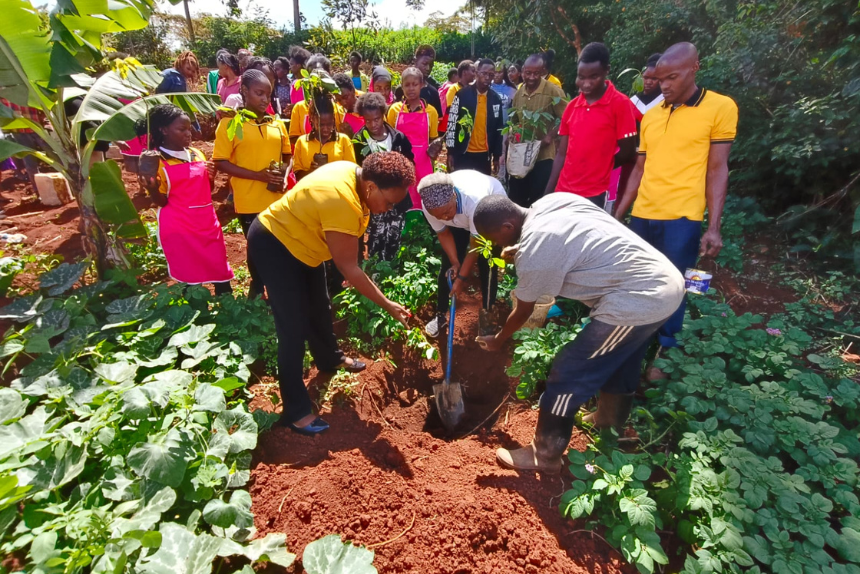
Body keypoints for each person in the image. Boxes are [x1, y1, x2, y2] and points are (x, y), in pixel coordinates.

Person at [473, 193, 684, 472]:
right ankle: (609, 424)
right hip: (662, 279)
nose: (498, 245)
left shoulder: (535, 251)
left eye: (496, 238)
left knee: (569, 369)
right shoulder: (551, 202)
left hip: (638, 299)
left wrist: (499, 339)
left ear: (508, 227)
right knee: (622, 357)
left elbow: (523, 311)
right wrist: (527, 249)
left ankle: (545, 454)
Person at [248, 153, 415, 435]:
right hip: (275, 245)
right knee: (292, 328)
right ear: (372, 187)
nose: (389, 209)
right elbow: (349, 267)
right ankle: (296, 411)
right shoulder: (343, 202)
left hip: (304, 243)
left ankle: (328, 358)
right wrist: (387, 304)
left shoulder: (354, 172)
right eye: (389, 202)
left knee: (320, 305)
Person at [614, 42, 738, 355]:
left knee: (679, 281)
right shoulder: (652, 116)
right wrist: (618, 215)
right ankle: (636, 336)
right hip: (643, 213)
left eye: (672, 78)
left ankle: (667, 346)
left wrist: (714, 227)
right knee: (639, 279)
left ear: (695, 68)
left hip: (683, 217)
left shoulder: (721, 108)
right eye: (659, 79)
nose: (663, 85)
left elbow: (717, 169)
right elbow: (639, 170)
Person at [137, 104, 233, 295]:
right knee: (190, 280)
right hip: (180, 228)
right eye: (182, 129)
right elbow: (162, 202)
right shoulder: (158, 162)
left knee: (220, 271)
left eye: (189, 128)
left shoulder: (197, 154)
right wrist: (152, 188)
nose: (188, 134)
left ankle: (228, 309)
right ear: (163, 130)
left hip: (206, 224)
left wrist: (211, 178)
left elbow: (207, 190)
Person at [213, 69, 292, 298]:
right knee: (256, 247)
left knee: (278, 244)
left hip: (276, 199)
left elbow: (287, 155)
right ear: (245, 91)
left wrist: (284, 175)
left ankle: (276, 288)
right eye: (259, 93)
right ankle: (257, 288)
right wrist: (258, 176)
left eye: (268, 94)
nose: (264, 99)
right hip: (248, 201)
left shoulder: (276, 124)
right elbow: (221, 162)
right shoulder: (231, 125)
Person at [544, 42, 637, 209]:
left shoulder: (620, 104)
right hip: (564, 192)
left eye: (593, 77)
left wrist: (602, 165)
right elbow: (561, 155)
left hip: (596, 194)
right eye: (581, 77)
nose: (586, 83)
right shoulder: (571, 107)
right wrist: (547, 194)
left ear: (606, 70)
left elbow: (628, 151)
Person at [420, 172, 506, 338]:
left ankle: (488, 314)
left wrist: (462, 279)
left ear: (453, 196)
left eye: (447, 211)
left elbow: (476, 245)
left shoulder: (475, 201)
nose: (445, 217)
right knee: (448, 268)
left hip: (490, 212)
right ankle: (441, 314)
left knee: (487, 263)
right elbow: (444, 234)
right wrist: (455, 263)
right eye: (439, 216)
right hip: (463, 217)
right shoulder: (432, 208)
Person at [354, 92, 415, 261]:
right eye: (368, 121)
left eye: (377, 119)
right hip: (375, 199)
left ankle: (392, 268)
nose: (373, 124)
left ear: (383, 115)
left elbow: (409, 161)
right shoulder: (359, 141)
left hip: (396, 198)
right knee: (375, 234)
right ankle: (375, 269)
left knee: (395, 234)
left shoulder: (398, 137)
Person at [506, 54, 568, 208]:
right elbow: (515, 121)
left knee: (538, 201)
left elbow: (567, 119)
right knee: (516, 200)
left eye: (536, 73)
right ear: (522, 72)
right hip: (522, 156)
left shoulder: (553, 91)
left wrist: (551, 135)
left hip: (544, 157)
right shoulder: (519, 93)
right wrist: (512, 134)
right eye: (528, 73)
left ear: (543, 72)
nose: (532, 77)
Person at [386, 67, 441, 209]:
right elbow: (389, 139)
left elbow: (434, 139)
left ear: (421, 85)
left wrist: (436, 147)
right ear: (402, 86)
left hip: (423, 163)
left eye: (415, 84)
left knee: (424, 201)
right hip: (401, 162)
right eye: (407, 85)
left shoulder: (431, 111)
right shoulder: (394, 110)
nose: (411, 88)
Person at [445, 58, 504, 175]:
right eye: (484, 73)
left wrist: (496, 156)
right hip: (463, 151)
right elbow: (452, 124)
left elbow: (499, 128)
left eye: (491, 75)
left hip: (484, 154)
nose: (487, 77)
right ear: (477, 73)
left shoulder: (495, 99)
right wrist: (450, 152)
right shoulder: (462, 95)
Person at [292, 94, 356, 180]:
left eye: (329, 124)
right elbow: (297, 175)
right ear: (311, 119)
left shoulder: (344, 140)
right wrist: (310, 171)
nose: (325, 129)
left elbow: (352, 171)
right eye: (321, 125)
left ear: (333, 120)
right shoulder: (302, 141)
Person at [393, 45, 443, 117]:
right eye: (424, 64)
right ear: (415, 61)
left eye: (431, 65)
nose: (428, 68)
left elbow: (438, 121)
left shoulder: (432, 92)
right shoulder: (400, 90)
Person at [630, 53, 665, 117]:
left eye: (654, 79)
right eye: (645, 77)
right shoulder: (634, 101)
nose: (648, 82)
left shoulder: (666, 101)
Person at [332, 73, 365, 137]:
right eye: (339, 100)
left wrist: (352, 136)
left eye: (345, 97)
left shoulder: (370, 108)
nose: (343, 103)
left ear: (353, 91)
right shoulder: (340, 116)